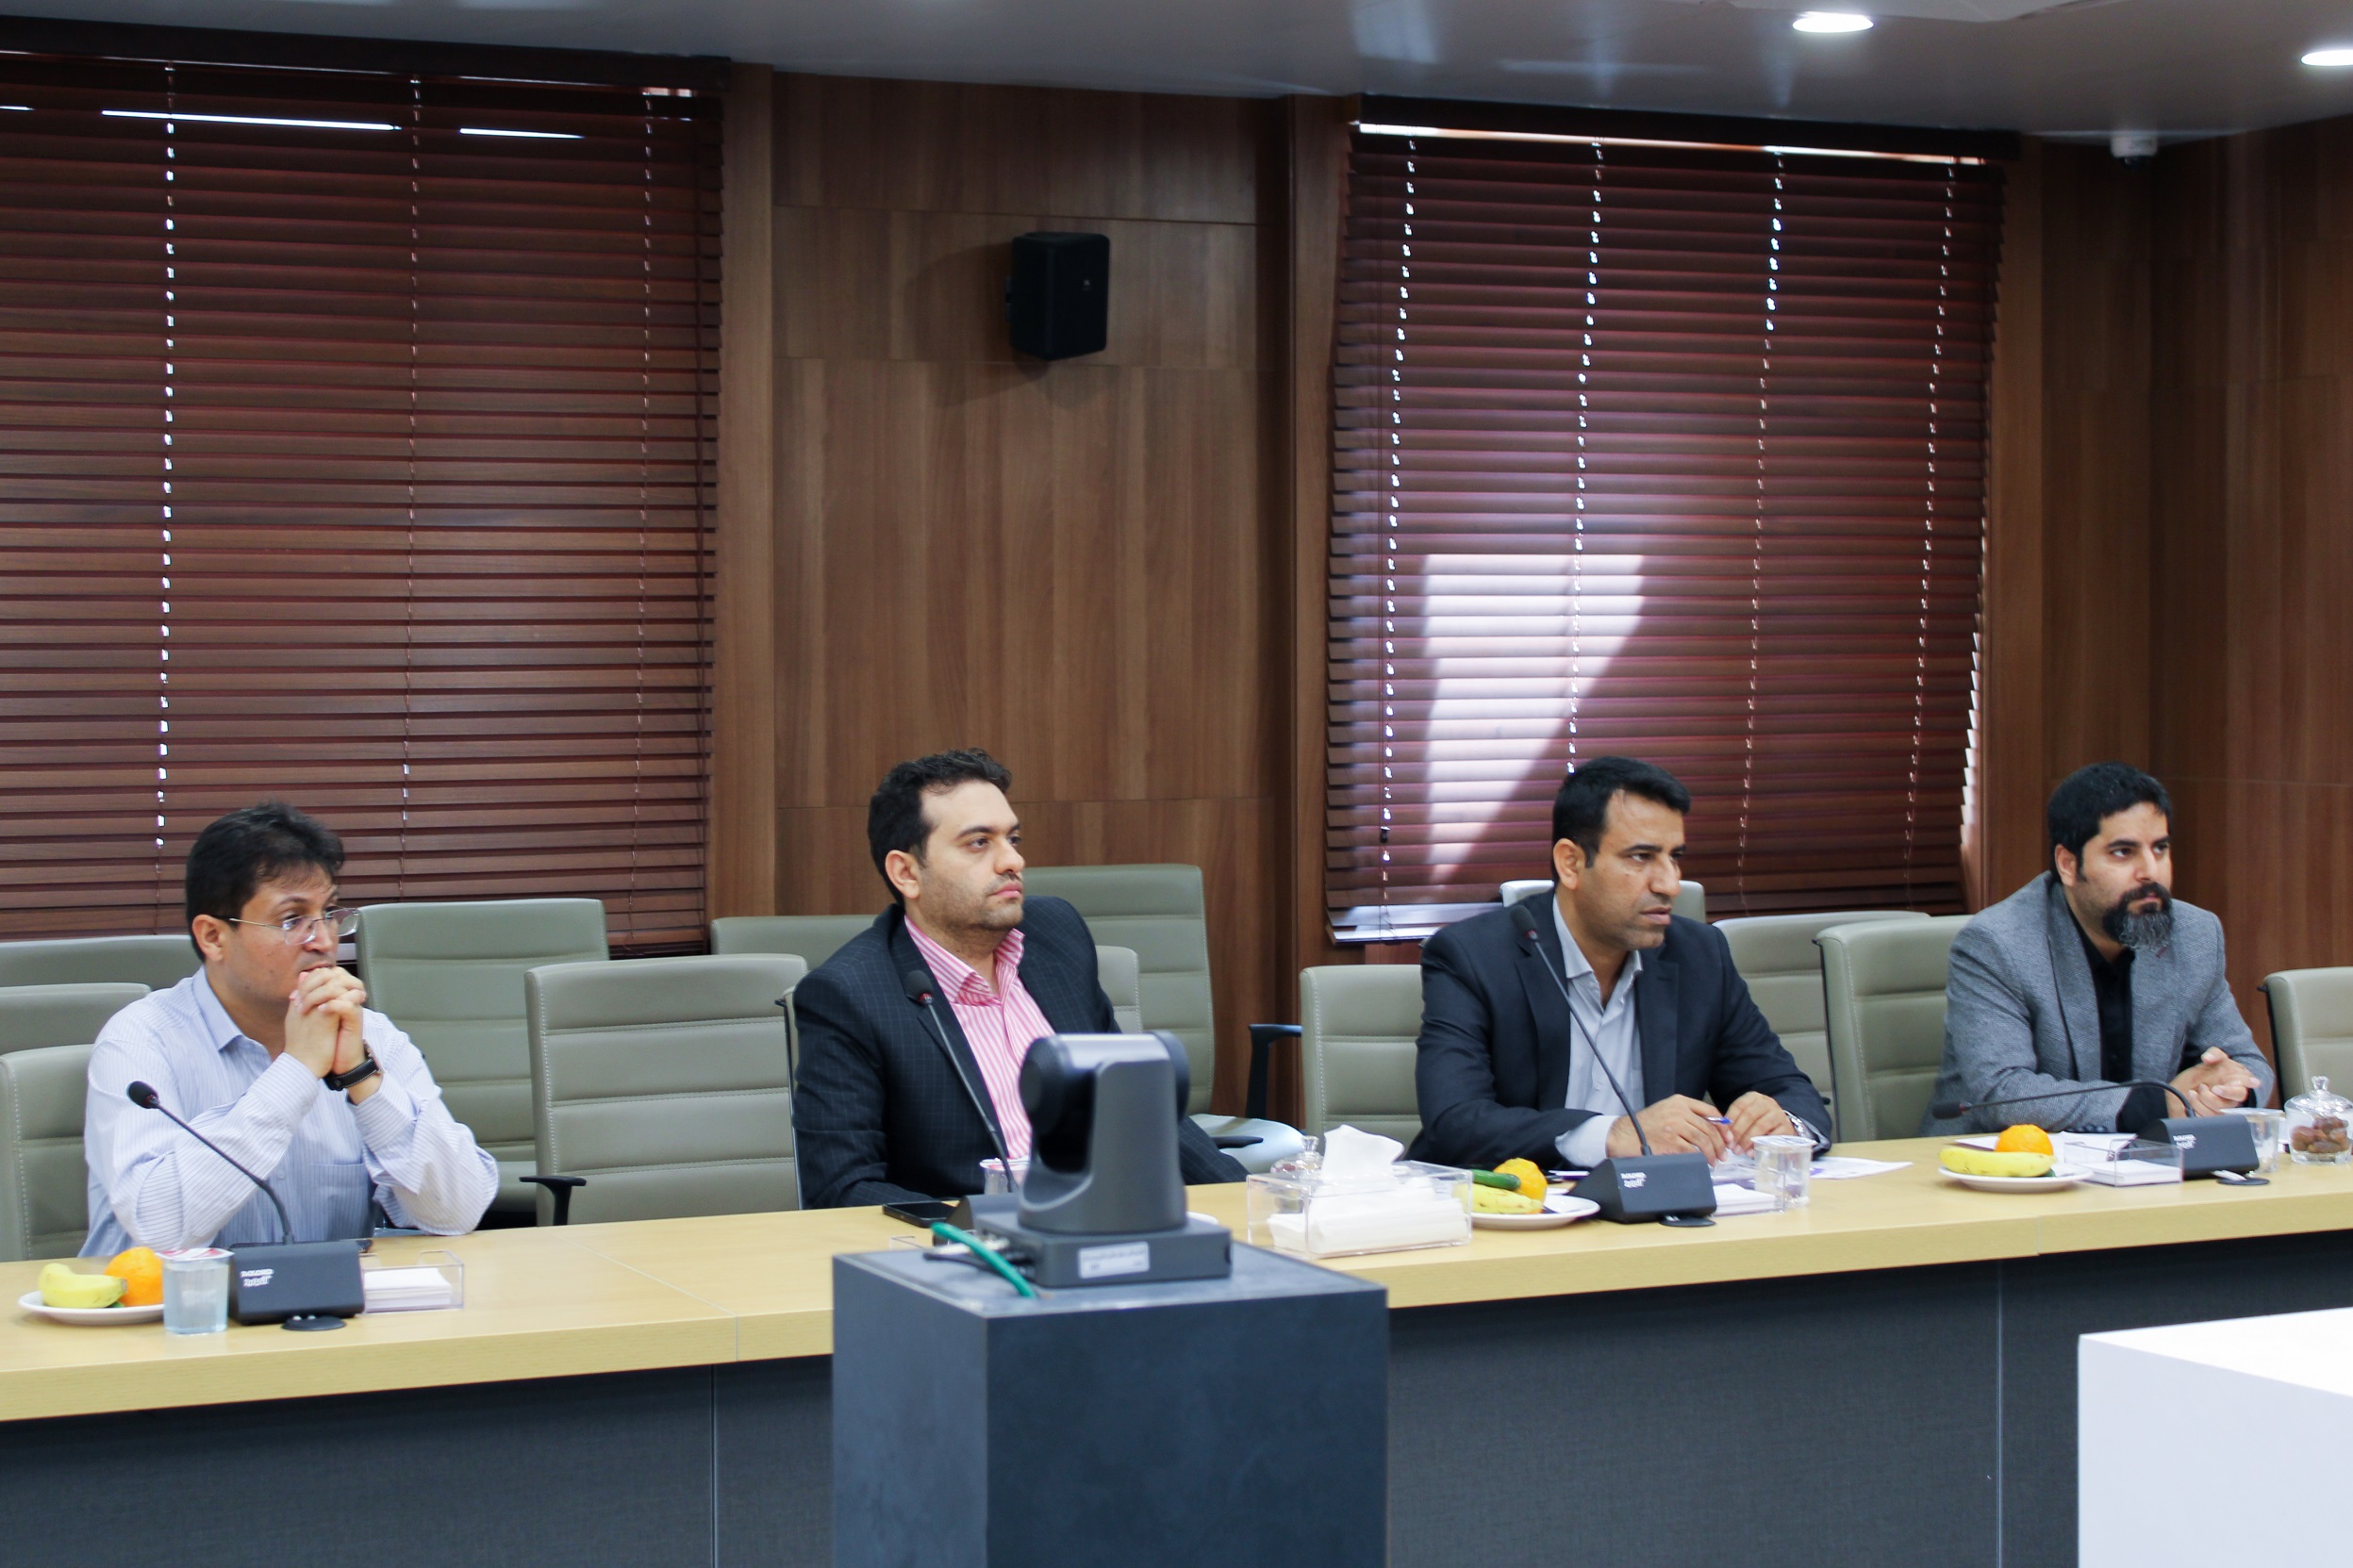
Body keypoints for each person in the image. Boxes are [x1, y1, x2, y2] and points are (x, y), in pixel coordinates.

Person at [791, 749, 1245, 1209]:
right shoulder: (850, 995)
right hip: (969, 1242)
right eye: (978, 843)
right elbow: (842, 1188)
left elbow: (1138, 1102)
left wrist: (1245, 1201)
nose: (1013, 860)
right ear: (906, 873)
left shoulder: (1057, 936)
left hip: (1108, 1220)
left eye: (1013, 838)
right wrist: (982, 1228)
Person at [82, 802, 497, 1257]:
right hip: (175, 1302)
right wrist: (296, 1071)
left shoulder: (371, 1035)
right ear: (213, 937)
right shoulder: (140, 1039)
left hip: (330, 1301)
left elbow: (458, 1212)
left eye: (329, 913)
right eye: (291, 919)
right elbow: (160, 1228)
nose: (324, 940)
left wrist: (362, 1077)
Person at [1409, 756, 1831, 1172]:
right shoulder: (1473, 957)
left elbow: (1790, 1091)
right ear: (1571, 863)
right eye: (1641, 856)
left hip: (1660, 1206)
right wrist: (1612, 1135)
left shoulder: (1700, 955)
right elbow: (1455, 1123)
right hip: (1520, 1204)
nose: (1670, 884)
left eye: (1674, 856)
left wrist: (1782, 1125)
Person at [1924, 762, 2271, 1135]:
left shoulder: (2194, 934)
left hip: (2146, 1161)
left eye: (2160, 848)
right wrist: (2159, 1103)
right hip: (2001, 1161)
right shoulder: (1998, 944)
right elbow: (2002, 1093)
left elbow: (2248, 1063)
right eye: (2123, 852)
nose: (2150, 871)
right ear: (2068, 864)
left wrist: (2227, 1092)